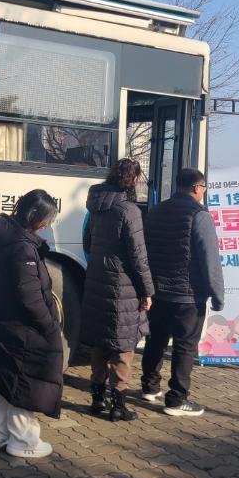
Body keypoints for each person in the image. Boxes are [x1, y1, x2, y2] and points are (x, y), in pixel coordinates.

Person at [0, 190, 62, 458]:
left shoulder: (4, 236)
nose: (48, 225)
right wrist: (50, 325)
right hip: (22, 327)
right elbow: (30, 297)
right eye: (47, 219)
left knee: (0, 375)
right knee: (22, 379)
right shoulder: (22, 246)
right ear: (35, 216)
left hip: (1, 321)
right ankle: (23, 440)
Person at [141, 168, 225, 417]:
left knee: (155, 340)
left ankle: (149, 386)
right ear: (197, 187)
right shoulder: (199, 215)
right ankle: (177, 399)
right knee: (185, 346)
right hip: (188, 295)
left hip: (157, 291)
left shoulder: (155, 212)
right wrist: (217, 295)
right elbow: (210, 259)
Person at [81, 158, 153, 422]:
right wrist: (147, 291)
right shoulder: (129, 210)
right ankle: (118, 405)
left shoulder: (96, 207)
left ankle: (97, 400)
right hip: (123, 286)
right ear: (133, 180)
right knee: (123, 346)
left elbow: (87, 241)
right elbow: (138, 257)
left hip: (98, 279)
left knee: (101, 343)